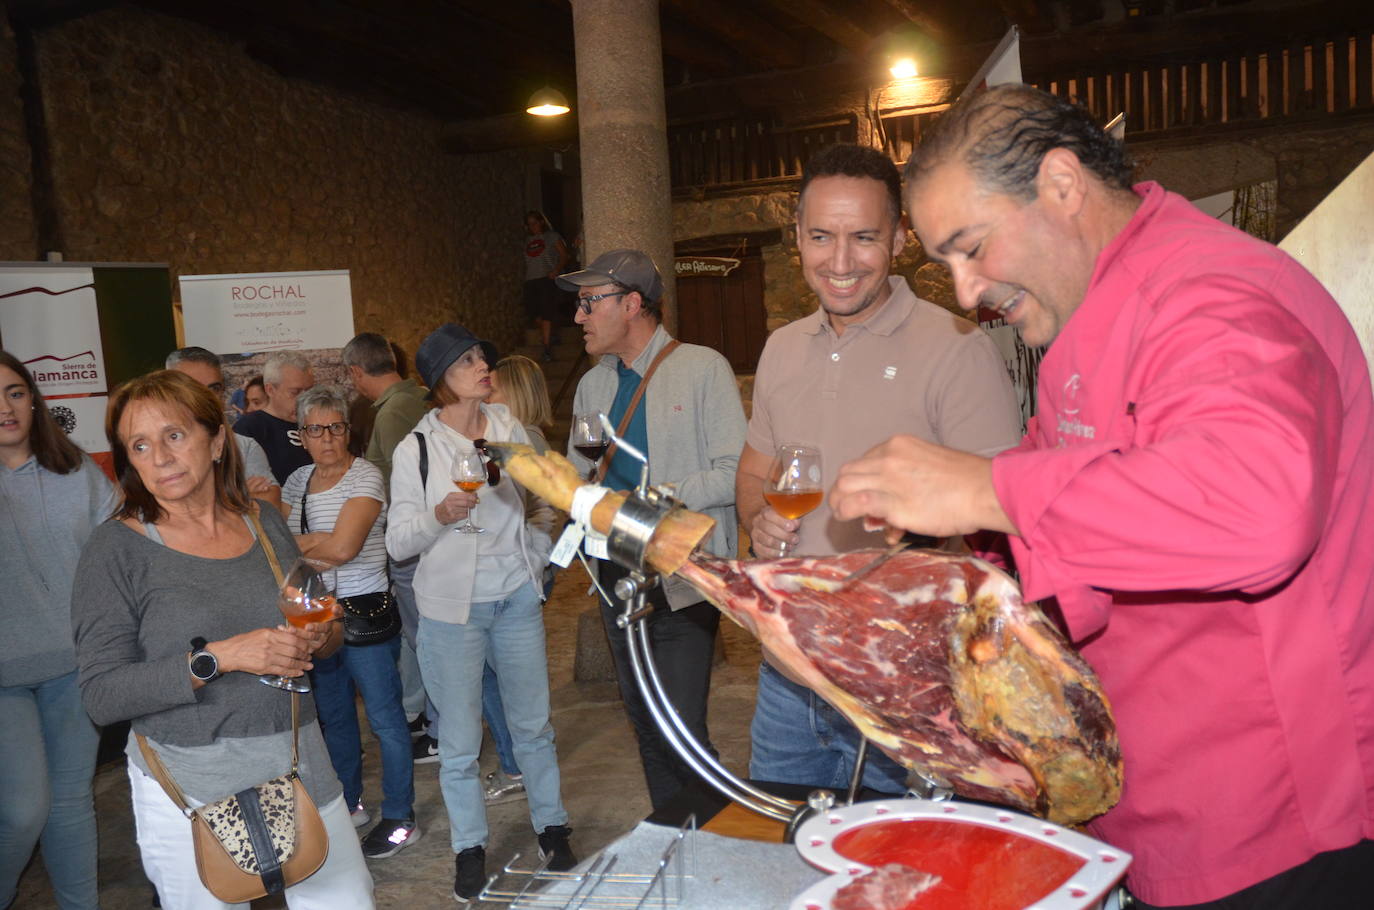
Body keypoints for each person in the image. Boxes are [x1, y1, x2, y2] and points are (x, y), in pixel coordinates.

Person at [829, 83, 1374, 908]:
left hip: (1268, 820)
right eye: (945, 265)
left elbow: (1259, 510)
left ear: (1060, 184)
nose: (967, 293)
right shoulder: (1087, 319)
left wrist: (987, 487)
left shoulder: (1208, 294)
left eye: (971, 248)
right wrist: (953, 554)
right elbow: (1081, 533)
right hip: (1157, 799)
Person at [735, 144, 1021, 796]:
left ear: (897, 239)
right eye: (820, 237)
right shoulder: (781, 349)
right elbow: (755, 471)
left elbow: (1004, 523)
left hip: (906, 680)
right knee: (784, 860)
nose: (840, 263)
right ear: (797, 240)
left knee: (903, 872)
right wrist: (757, 515)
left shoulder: (957, 349)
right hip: (790, 674)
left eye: (863, 237)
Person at [71, 369, 374, 908]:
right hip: (188, 786)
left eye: (174, 435)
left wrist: (316, 636)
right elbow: (102, 694)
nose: (159, 457)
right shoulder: (115, 551)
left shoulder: (264, 523)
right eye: (140, 444)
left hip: (299, 763)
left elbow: (323, 629)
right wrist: (223, 657)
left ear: (215, 442)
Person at [385, 324, 574, 903]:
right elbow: (396, 544)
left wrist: (537, 557)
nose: (482, 364)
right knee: (461, 740)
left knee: (533, 726)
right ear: (442, 378)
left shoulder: (508, 427)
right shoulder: (416, 448)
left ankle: (553, 830)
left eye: (482, 356)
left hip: (515, 596)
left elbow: (544, 496)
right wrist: (440, 513)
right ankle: (469, 846)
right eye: (467, 360)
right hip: (451, 611)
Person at [561, 250, 747, 812]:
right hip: (615, 573)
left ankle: (713, 837)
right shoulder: (592, 387)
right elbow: (576, 474)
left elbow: (733, 471)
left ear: (633, 304)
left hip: (683, 573)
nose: (578, 317)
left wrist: (648, 499)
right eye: (578, 304)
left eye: (589, 302)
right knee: (645, 721)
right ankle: (673, 829)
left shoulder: (702, 368)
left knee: (682, 726)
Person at [281, 385, 419, 858]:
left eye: (335, 427)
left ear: (348, 430)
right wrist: (325, 536)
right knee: (334, 718)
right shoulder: (296, 482)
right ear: (302, 435)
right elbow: (279, 548)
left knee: (385, 718)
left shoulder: (366, 477)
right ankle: (351, 804)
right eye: (315, 429)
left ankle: (401, 816)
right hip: (317, 614)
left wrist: (314, 540)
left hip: (364, 611)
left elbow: (345, 548)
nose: (327, 438)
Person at [0, 351, 116, 910]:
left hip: (75, 665)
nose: (6, 407)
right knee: (24, 808)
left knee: (71, 801)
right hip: (4, 677)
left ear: (34, 398)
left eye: (16, 392)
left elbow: (120, 553)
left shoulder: (77, 471)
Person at [340, 332, 437, 762]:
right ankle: (430, 719)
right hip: (417, 541)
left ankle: (439, 729)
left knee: (426, 641)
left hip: (412, 545)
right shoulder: (413, 399)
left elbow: (412, 485)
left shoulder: (396, 411)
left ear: (356, 373)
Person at [476, 354, 559, 806]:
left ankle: (517, 766)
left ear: (516, 394)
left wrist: (535, 557)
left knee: (500, 676)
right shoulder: (516, 438)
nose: (486, 393)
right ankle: (523, 762)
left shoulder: (522, 441)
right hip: (517, 567)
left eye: (495, 388)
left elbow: (542, 511)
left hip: (518, 570)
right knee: (502, 674)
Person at [166, 346, 283, 512]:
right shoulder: (154, 451)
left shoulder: (245, 446)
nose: (206, 397)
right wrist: (240, 498)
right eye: (194, 388)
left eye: (214, 389)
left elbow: (270, 506)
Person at [234, 351, 315, 484]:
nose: (305, 399)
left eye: (310, 390)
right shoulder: (249, 428)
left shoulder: (318, 421)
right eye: (295, 392)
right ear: (270, 390)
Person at [523, 211, 570, 363]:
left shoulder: (552, 237)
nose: (532, 226)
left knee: (546, 314)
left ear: (541, 222)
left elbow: (564, 255)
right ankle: (550, 336)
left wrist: (556, 270)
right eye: (529, 224)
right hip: (531, 280)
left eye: (534, 222)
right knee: (534, 315)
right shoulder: (527, 240)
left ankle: (547, 348)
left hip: (546, 279)